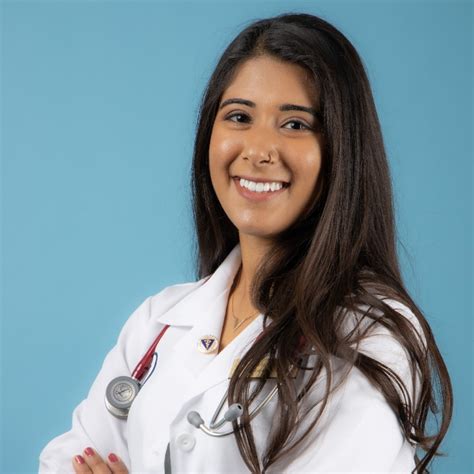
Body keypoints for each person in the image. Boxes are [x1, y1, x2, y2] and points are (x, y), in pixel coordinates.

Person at [38, 12, 453, 474]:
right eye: (239, 117)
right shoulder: (159, 322)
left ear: (342, 150)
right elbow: (63, 462)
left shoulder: (369, 334)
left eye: (295, 124)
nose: (257, 150)